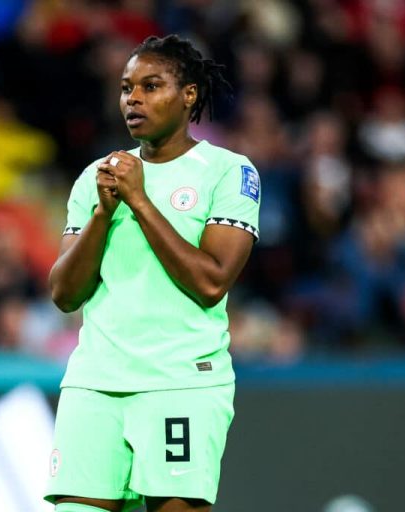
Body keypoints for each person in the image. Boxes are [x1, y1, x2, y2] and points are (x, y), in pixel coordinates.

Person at [45, 34, 261, 512]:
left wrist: (139, 201)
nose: (134, 99)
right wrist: (103, 213)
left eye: (151, 85)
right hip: (95, 382)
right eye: (127, 88)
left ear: (188, 95)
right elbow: (64, 294)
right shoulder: (97, 178)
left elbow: (211, 282)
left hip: (180, 382)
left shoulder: (227, 172)